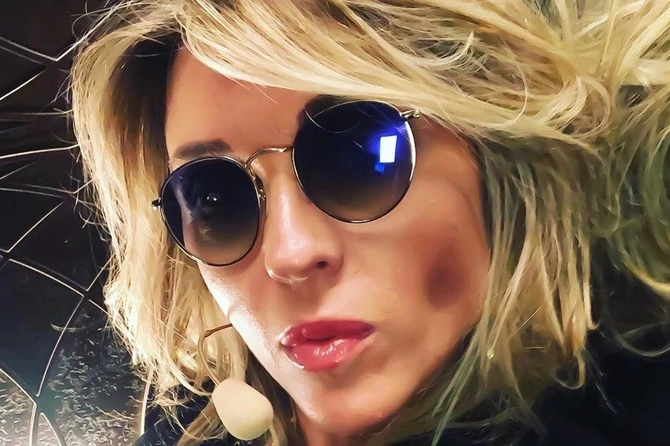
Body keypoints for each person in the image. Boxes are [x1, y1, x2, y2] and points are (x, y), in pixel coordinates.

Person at [69, 1, 670, 445]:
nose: (290, 253)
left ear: (495, 159)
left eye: (355, 156)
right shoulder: (178, 428)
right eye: (213, 197)